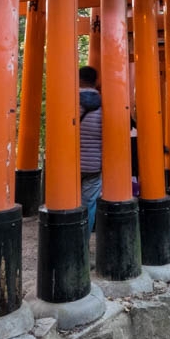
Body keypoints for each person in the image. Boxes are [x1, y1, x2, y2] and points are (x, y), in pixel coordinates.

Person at [79, 65, 102, 233]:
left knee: (67, 201)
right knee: (89, 204)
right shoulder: (105, 105)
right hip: (94, 164)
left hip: (70, 164)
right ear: (95, 81)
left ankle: (68, 241)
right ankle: (84, 241)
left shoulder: (70, 101)